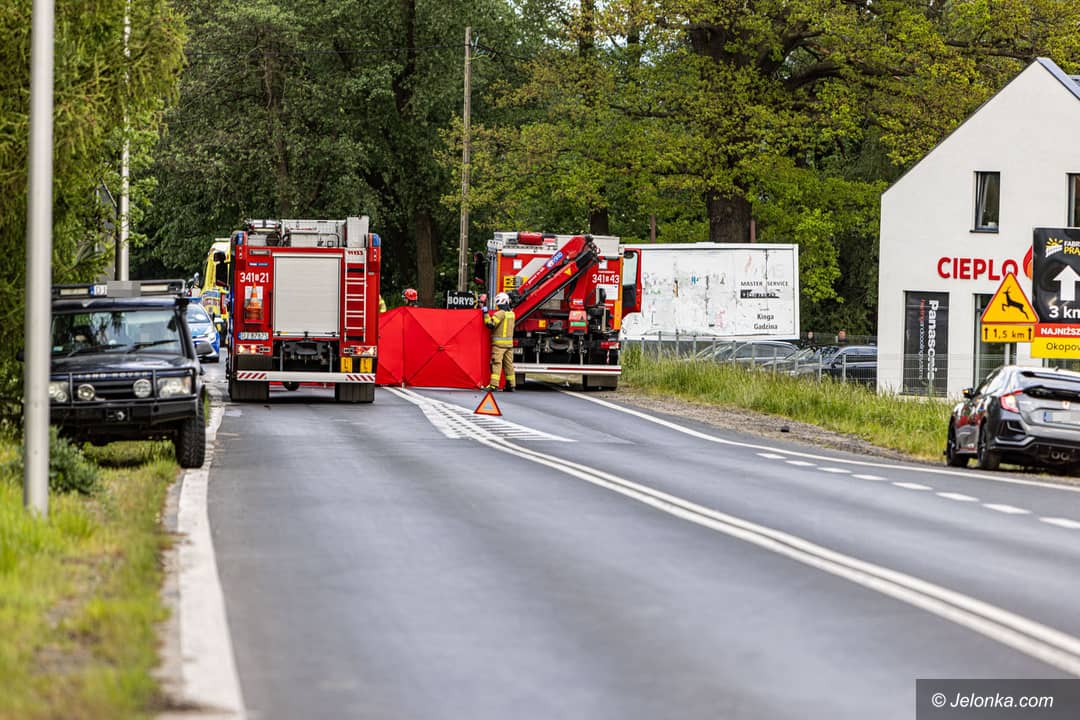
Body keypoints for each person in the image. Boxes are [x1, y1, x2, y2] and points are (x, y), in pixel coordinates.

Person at [484, 292, 516, 392]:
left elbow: (490, 325)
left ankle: (493, 385)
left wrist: (485, 313)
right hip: (509, 345)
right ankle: (511, 385)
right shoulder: (512, 314)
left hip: (499, 346)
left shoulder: (500, 313)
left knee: (496, 364)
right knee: (508, 365)